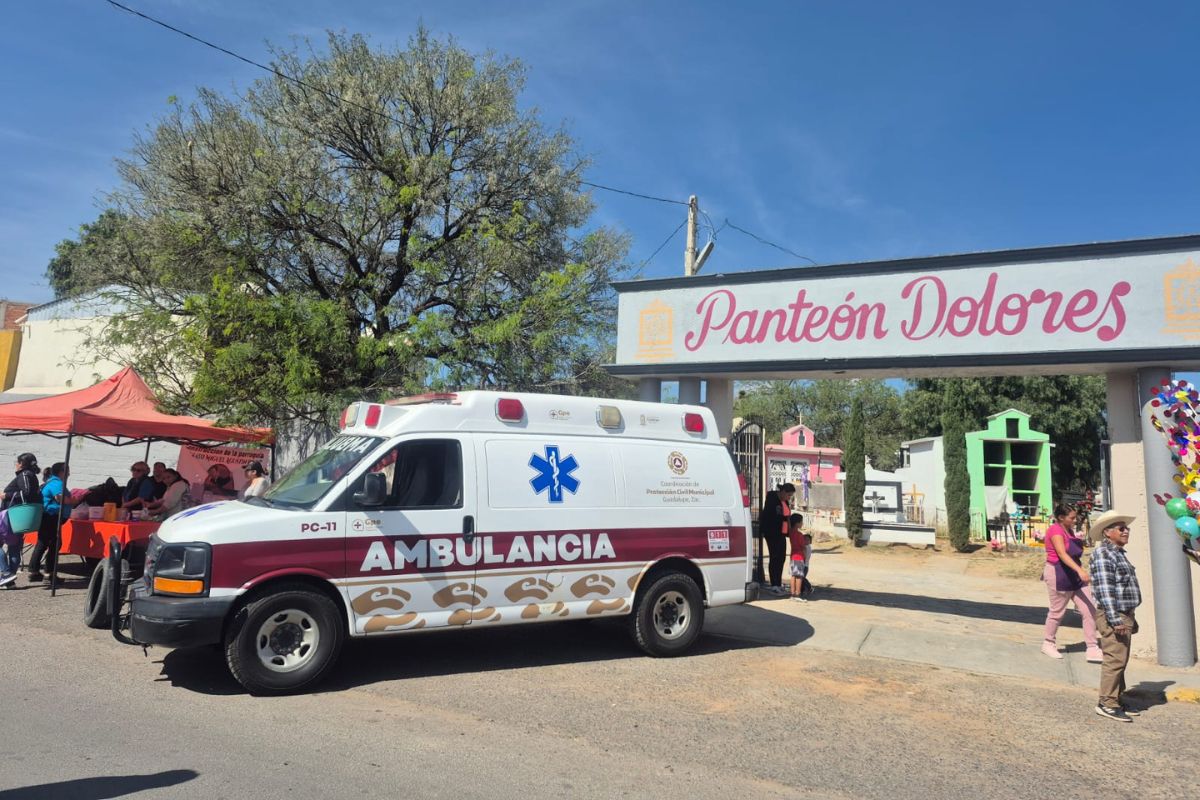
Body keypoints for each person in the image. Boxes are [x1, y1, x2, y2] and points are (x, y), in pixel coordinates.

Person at [1089, 509, 1142, 722]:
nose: (1126, 531)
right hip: (1115, 614)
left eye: (1126, 527)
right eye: (1121, 528)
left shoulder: (1117, 553)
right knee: (1114, 659)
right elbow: (1105, 589)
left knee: (1121, 659)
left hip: (1123, 613)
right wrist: (1115, 619)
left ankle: (1116, 699)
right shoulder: (1104, 554)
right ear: (1107, 532)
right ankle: (1107, 703)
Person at [1041, 503, 1102, 663]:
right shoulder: (1055, 530)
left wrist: (1079, 571)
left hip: (1074, 575)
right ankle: (1048, 643)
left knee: (1090, 608)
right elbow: (1061, 553)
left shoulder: (1069, 530)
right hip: (1058, 573)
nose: (1075, 520)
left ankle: (1092, 646)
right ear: (1061, 518)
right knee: (1057, 611)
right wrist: (1080, 570)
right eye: (1072, 517)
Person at [0, 453, 41, 588]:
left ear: (21, 463)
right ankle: (9, 580)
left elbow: (27, 493)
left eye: (16, 462)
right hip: (18, 517)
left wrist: (6, 495)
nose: (15, 465)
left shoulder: (24, 475)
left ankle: (6, 573)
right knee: (14, 547)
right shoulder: (30, 475)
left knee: (13, 547)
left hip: (13, 515)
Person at [28, 462, 71, 584]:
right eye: (67, 471)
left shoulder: (51, 482)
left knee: (43, 542)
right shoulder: (57, 483)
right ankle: (49, 573)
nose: (69, 474)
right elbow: (60, 498)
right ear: (61, 472)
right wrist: (74, 500)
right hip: (51, 516)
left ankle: (34, 571)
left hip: (47, 516)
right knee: (55, 543)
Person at [758, 482, 795, 596]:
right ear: (783, 492)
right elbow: (772, 515)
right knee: (774, 557)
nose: (789, 498)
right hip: (772, 532)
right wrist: (783, 517)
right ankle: (774, 584)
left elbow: (787, 516)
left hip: (782, 533)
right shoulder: (772, 498)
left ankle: (778, 584)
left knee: (781, 558)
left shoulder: (785, 502)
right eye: (788, 495)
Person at [788, 512, 808, 601]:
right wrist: (805, 555)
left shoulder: (791, 532)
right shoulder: (799, 535)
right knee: (799, 576)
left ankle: (792, 593)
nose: (802, 523)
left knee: (793, 575)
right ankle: (798, 593)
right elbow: (803, 546)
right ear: (797, 523)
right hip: (799, 557)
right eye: (801, 522)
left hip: (793, 556)